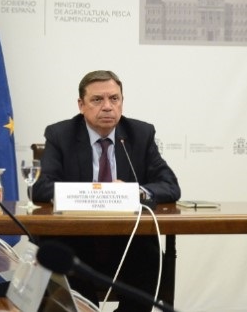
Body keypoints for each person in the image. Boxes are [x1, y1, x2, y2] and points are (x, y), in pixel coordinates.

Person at [32, 70, 181, 311]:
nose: (108, 107)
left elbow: (170, 185)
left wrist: (135, 192)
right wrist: (96, 193)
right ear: (81, 105)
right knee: (65, 260)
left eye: (114, 98)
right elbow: (40, 187)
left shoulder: (140, 134)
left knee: (150, 257)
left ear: (122, 101)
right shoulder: (60, 134)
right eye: (97, 100)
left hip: (126, 242)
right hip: (75, 239)